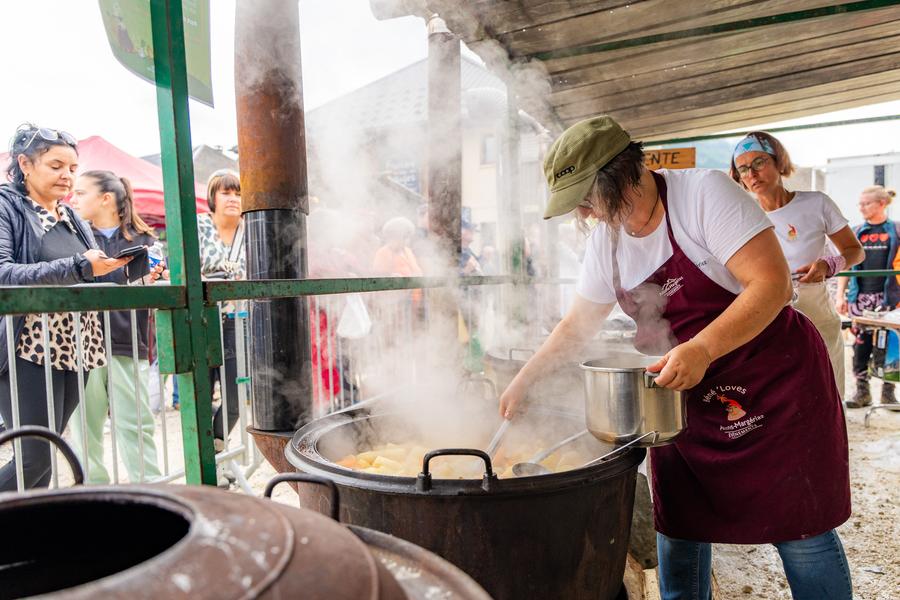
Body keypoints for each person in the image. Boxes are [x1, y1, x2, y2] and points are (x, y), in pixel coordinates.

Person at [499, 116, 852, 600]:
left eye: (586, 197)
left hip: (774, 383)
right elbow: (575, 326)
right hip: (685, 398)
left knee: (800, 527)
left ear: (619, 174)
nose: (583, 212)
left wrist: (702, 347)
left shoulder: (703, 195)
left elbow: (773, 284)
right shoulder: (608, 241)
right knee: (681, 527)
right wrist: (525, 380)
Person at [0, 124, 130, 490]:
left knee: (43, 455)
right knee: (33, 457)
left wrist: (127, 274)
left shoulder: (71, 216)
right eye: (56, 165)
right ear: (25, 164)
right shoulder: (6, 206)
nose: (67, 176)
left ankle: (21, 538)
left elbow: (90, 275)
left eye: (73, 169)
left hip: (75, 347)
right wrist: (78, 266)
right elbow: (3, 273)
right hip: (24, 347)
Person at [730, 132, 863, 400]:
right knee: (783, 395)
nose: (752, 174)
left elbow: (855, 251)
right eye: (743, 168)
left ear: (779, 162)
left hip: (815, 308)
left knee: (828, 388)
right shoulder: (742, 216)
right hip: (768, 313)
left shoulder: (816, 203)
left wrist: (829, 264)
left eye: (759, 162)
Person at [68, 170, 163, 483]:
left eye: (81, 192)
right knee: (84, 427)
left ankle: (149, 491)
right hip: (81, 344)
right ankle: (92, 492)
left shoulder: (146, 241)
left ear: (106, 198)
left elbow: (158, 284)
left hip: (127, 340)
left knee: (135, 424)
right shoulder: (72, 238)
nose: (73, 198)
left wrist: (158, 278)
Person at [836, 185, 900, 408]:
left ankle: (888, 393)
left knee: (889, 344)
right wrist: (840, 296)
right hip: (860, 298)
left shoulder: (896, 230)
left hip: (889, 299)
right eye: (860, 204)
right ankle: (862, 391)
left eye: (866, 203)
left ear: (881, 204)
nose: (861, 208)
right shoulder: (856, 232)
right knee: (860, 344)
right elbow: (847, 265)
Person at [197, 169, 245, 452]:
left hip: (238, 322)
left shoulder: (251, 230)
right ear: (213, 196)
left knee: (236, 397)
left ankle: (216, 449)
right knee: (201, 393)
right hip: (203, 319)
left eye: (238, 193)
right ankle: (209, 463)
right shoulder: (197, 226)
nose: (233, 199)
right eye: (226, 192)